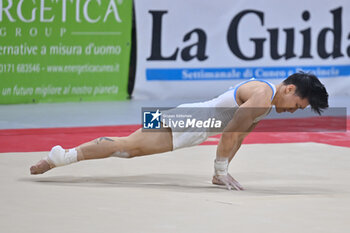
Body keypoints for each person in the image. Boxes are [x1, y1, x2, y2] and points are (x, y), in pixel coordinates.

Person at [30, 72, 329, 190]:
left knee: (128, 148)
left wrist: (221, 171)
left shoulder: (266, 99)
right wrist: (221, 171)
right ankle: (60, 157)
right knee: (127, 147)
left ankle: (62, 156)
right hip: (190, 120)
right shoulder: (264, 95)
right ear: (290, 89)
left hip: (192, 118)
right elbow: (230, 135)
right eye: (298, 104)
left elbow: (239, 135)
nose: (293, 110)